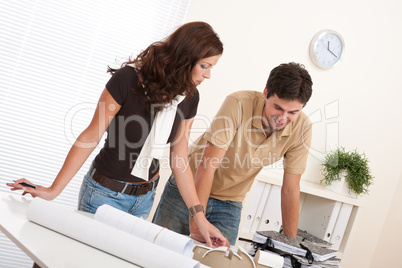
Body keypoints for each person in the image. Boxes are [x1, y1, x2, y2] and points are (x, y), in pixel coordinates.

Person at [7, 21, 229, 248]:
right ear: (185, 58)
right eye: (204, 66)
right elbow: (91, 136)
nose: (209, 75)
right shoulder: (128, 79)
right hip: (104, 196)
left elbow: (179, 159)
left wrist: (199, 218)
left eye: (211, 67)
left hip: (144, 200)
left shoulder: (190, 97)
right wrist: (53, 191)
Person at [153, 62, 313, 245]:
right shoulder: (238, 103)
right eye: (278, 108)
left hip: (229, 203)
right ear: (266, 93)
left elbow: (290, 189)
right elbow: (208, 165)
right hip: (189, 189)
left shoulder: (303, 128)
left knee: (219, 261)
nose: (283, 118)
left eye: (292, 112)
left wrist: (290, 247)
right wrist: (197, 221)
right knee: (161, 250)